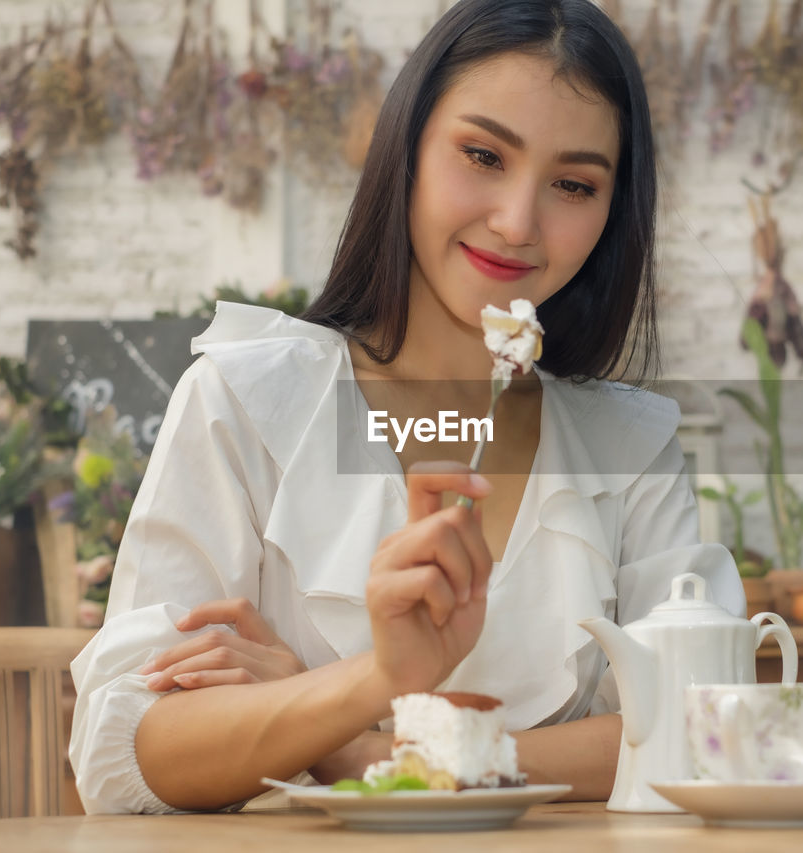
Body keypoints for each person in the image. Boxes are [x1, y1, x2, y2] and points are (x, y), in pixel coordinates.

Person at [69, 0, 743, 814]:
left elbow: (704, 726)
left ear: (611, 213)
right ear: (407, 148)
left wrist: (358, 745)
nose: (518, 222)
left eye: (573, 183)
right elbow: (127, 752)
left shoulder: (629, 446)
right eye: (483, 155)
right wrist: (381, 675)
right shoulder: (247, 398)